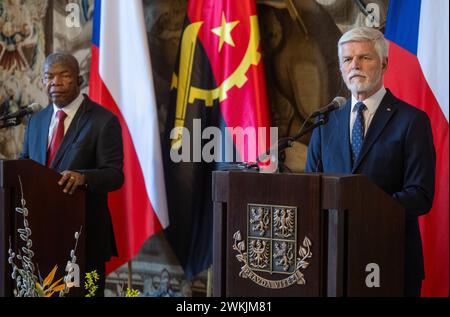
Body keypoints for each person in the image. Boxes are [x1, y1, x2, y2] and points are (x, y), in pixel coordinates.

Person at [305, 27, 436, 297]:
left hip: (391, 259)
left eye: (365, 57)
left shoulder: (412, 121)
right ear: (341, 68)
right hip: (332, 261)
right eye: (347, 60)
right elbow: (311, 191)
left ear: (384, 64)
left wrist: (364, 209)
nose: (355, 65)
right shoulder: (325, 124)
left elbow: (420, 194)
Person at [20, 52, 124, 296]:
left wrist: (83, 177)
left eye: (64, 75)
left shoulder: (103, 121)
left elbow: (115, 174)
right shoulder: (36, 120)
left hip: (85, 235)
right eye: (49, 76)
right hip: (41, 233)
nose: (55, 82)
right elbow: (25, 166)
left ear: (80, 79)